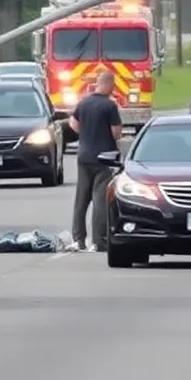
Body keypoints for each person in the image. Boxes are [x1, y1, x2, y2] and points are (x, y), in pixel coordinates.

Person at [67, 69, 123, 252]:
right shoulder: (109, 106)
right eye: (112, 85)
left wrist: (85, 134)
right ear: (107, 84)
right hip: (104, 159)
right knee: (100, 200)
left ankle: (78, 239)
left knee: (81, 200)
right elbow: (116, 132)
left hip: (84, 156)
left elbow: (73, 124)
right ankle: (98, 241)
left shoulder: (83, 103)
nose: (113, 89)